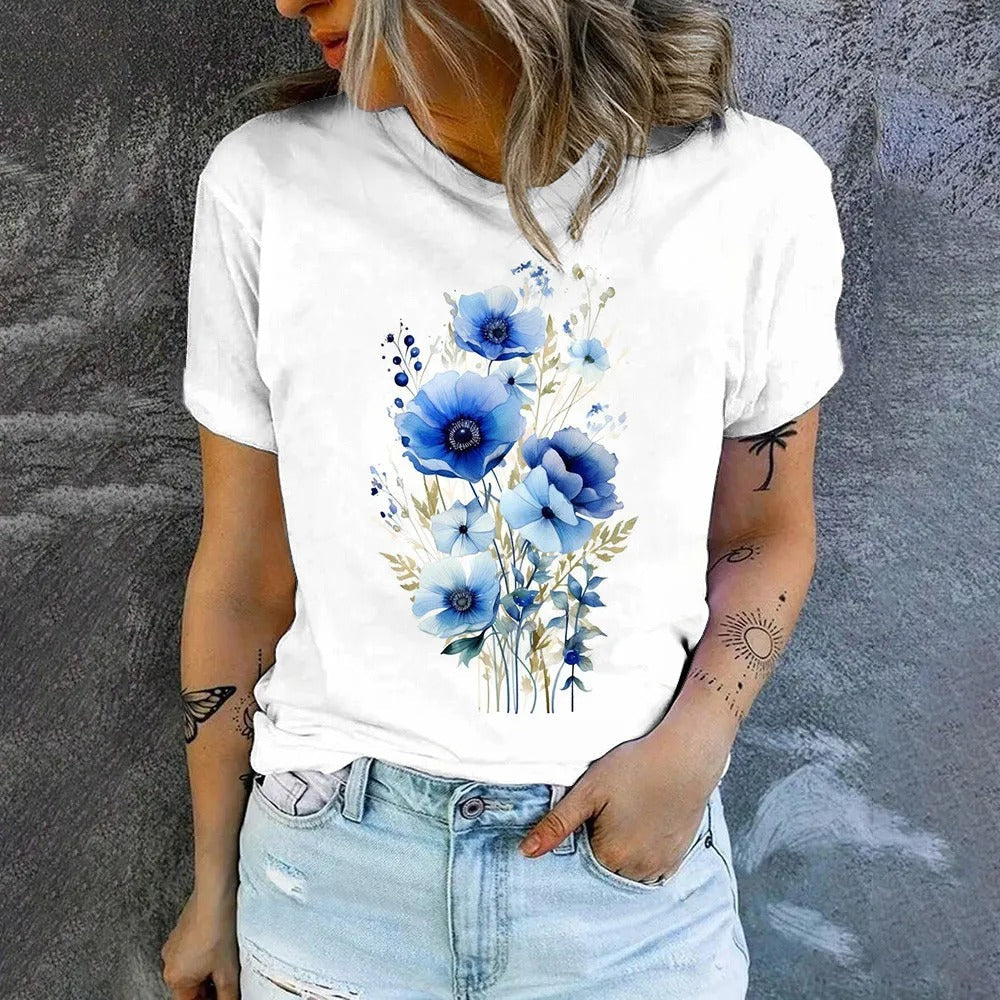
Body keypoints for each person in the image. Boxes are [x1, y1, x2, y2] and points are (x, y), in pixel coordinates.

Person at [161, 1, 846, 997]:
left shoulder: (753, 191)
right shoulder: (267, 184)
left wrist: (697, 744)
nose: (288, 2)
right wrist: (213, 888)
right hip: (331, 883)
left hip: (625, 895)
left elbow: (763, 534)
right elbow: (241, 579)